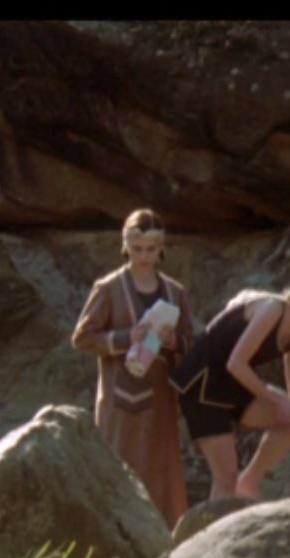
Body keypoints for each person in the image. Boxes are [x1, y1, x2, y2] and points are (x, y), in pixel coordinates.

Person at [169, 268, 290, 500]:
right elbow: (236, 363)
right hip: (202, 382)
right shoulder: (273, 308)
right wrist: (276, 401)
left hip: (234, 384)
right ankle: (216, 520)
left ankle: (249, 482)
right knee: (225, 479)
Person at [71, 209, 197, 528]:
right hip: (120, 403)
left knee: (161, 475)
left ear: (161, 249)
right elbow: (83, 338)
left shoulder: (175, 292)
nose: (144, 257)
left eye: (151, 250)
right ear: (125, 246)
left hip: (160, 402)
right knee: (117, 474)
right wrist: (127, 337)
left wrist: (173, 342)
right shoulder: (108, 288)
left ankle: (162, 544)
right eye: (137, 249)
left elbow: (190, 343)